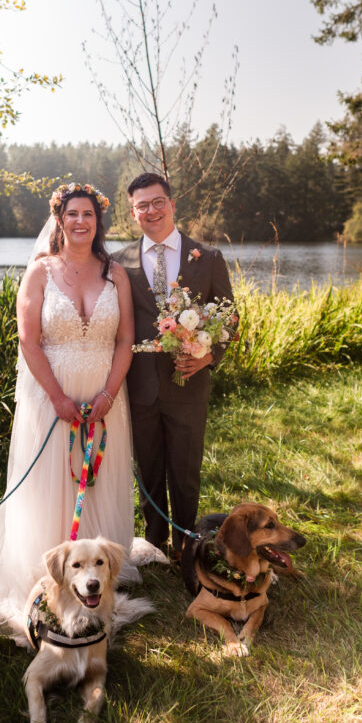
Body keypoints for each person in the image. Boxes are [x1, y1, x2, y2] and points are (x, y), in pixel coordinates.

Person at [0, 183, 146, 654]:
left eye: (88, 214)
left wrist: (109, 393)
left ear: (98, 220)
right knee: (51, 485)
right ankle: (47, 577)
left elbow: (125, 339)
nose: (80, 222)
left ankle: (96, 573)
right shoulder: (39, 272)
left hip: (106, 398)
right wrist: (58, 398)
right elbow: (29, 341)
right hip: (52, 400)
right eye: (72, 214)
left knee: (97, 484)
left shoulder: (116, 275)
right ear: (59, 219)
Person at [113, 172, 235, 558]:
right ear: (133, 213)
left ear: (172, 204)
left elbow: (230, 318)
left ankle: (188, 539)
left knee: (184, 467)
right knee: (147, 465)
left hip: (188, 381)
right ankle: (154, 541)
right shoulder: (119, 263)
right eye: (142, 206)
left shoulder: (208, 257)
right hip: (140, 383)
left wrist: (209, 357)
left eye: (158, 202)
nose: (151, 210)